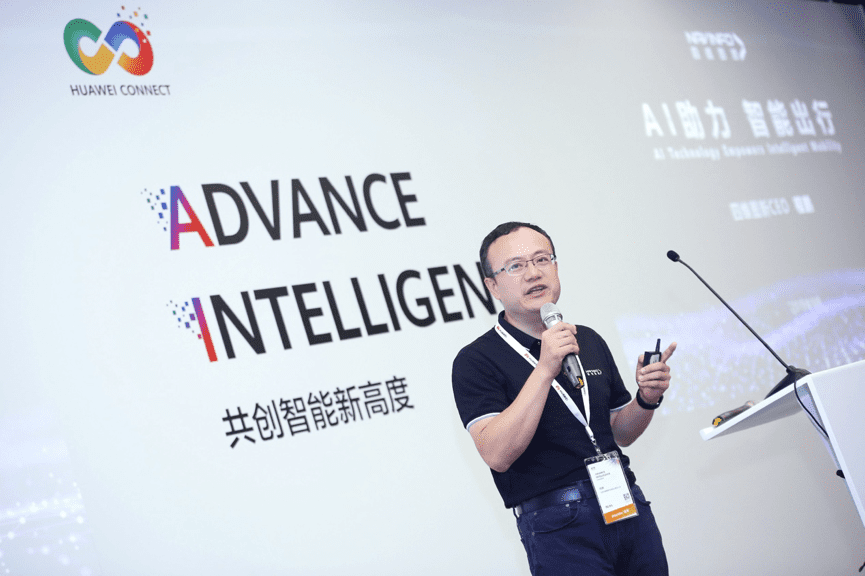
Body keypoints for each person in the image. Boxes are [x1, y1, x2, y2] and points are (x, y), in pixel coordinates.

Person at [451, 222, 676, 576]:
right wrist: (544, 369)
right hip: (558, 525)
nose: (533, 273)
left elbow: (621, 432)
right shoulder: (476, 360)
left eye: (542, 259)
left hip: (625, 504)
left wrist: (646, 399)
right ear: (492, 286)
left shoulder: (586, 339)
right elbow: (496, 454)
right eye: (516, 266)